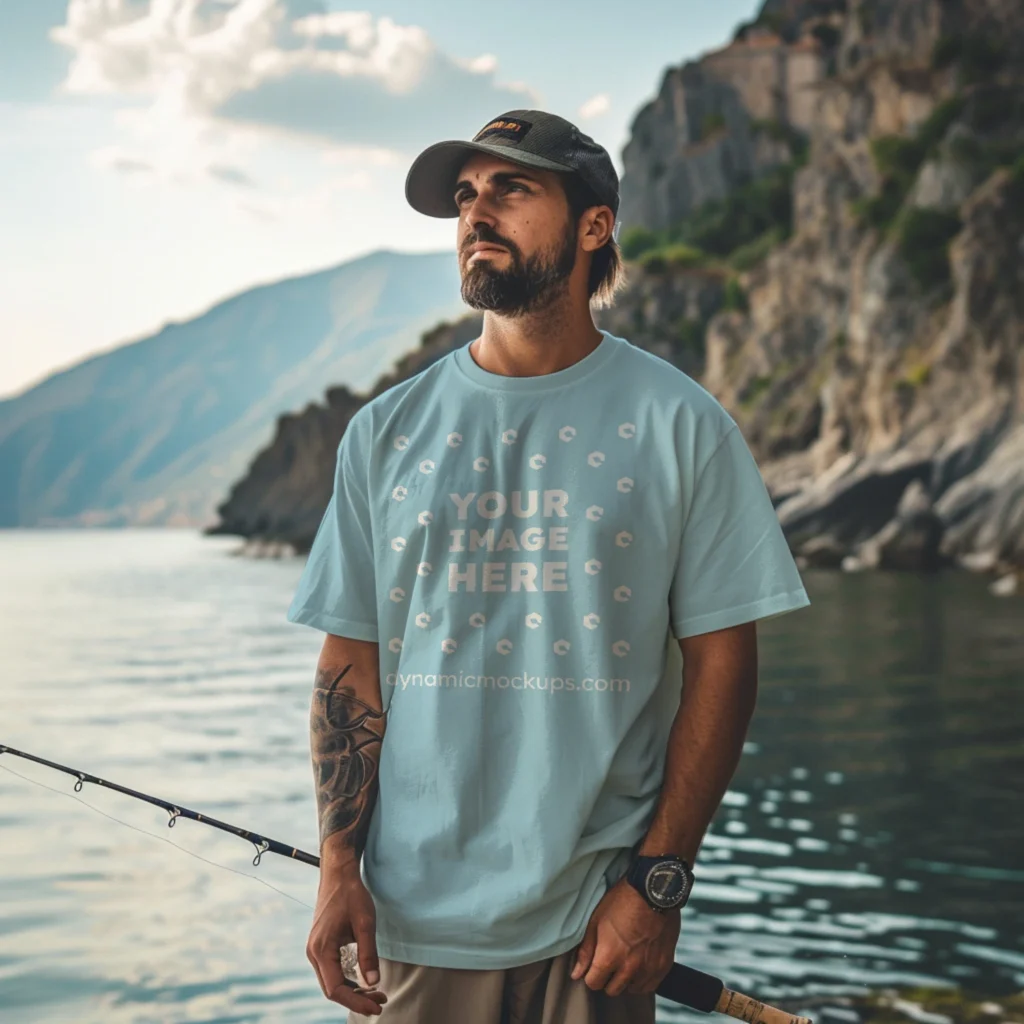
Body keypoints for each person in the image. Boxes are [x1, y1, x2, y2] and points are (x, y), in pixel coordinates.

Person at [287, 108, 811, 1023]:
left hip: (597, 928)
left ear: (593, 225)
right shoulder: (385, 433)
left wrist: (657, 885)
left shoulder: (682, 425)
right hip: (418, 927)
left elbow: (724, 663)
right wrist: (338, 869)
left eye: (512, 189)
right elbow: (351, 665)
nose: (476, 214)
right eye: (465, 195)